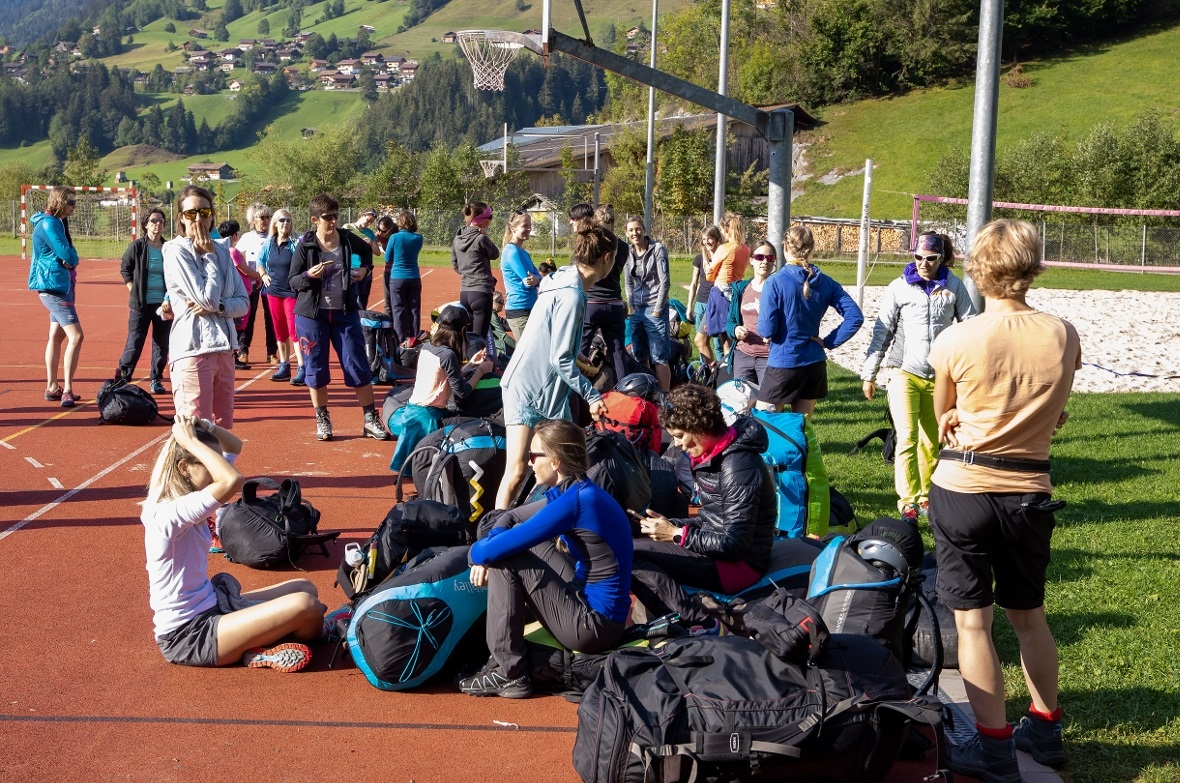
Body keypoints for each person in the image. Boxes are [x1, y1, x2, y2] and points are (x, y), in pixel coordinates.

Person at [928, 219, 1079, 782]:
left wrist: (963, 415)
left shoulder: (958, 338)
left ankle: (992, 748)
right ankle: (1044, 726)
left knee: (973, 624)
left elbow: (943, 414)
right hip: (1029, 488)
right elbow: (1057, 412)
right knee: (1029, 616)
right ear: (1033, 265)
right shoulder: (1064, 333)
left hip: (965, 487)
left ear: (977, 268)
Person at [461, 419, 633, 698]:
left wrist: (478, 556)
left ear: (554, 461)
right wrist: (491, 545)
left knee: (507, 559)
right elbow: (509, 516)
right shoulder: (578, 490)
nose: (529, 463)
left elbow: (487, 551)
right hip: (593, 607)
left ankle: (509, 673)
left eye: (533, 456)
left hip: (594, 626)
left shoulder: (575, 502)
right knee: (522, 547)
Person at [142, 414, 327, 670]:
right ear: (184, 468)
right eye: (211, 463)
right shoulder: (167, 513)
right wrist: (191, 442)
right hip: (189, 635)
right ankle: (318, 633)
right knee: (308, 608)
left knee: (306, 588)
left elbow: (234, 447)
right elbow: (231, 481)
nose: (217, 469)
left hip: (213, 604)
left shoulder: (190, 493)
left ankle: (257, 641)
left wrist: (205, 428)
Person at [629, 384, 776, 630]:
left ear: (699, 427)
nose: (675, 445)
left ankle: (697, 622)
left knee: (631, 556)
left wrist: (676, 535)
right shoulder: (714, 455)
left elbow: (735, 544)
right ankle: (675, 618)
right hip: (720, 554)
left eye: (678, 435)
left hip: (740, 567)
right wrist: (671, 525)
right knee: (632, 544)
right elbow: (712, 521)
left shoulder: (737, 467)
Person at [495, 224, 616, 510]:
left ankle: (542, 528)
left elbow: (553, 342)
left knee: (562, 469)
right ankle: (493, 537)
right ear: (607, 259)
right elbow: (559, 359)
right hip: (527, 390)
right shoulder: (572, 295)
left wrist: (575, 355)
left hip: (547, 392)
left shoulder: (561, 277)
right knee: (516, 470)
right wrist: (593, 396)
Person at [861, 232, 976, 521]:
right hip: (904, 373)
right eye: (918, 257)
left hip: (938, 376)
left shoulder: (954, 286)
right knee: (908, 437)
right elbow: (882, 331)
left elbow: (971, 327)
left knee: (931, 440)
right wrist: (869, 373)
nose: (924, 263)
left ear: (941, 258)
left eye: (931, 258)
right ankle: (907, 501)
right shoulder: (899, 287)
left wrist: (969, 372)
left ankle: (926, 496)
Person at [288, 193, 391, 442]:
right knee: (316, 367)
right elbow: (293, 281)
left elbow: (368, 252)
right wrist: (310, 276)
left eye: (335, 216)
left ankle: (369, 419)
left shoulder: (346, 238)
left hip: (344, 313)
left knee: (357, 363)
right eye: (327, 217)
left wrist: (365, 270)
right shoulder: (306, 245)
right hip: (312, 316)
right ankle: (322, 417)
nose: (332, 221)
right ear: (315, 219)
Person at [163, 186, 250, 428]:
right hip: (193, 349)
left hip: (224, 348)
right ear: (181, 217)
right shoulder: (176, 251)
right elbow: (206, 298)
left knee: (223, 428)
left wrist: (221, 306)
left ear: (212, 214)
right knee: (196, 430)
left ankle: (223, 467)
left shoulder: (222, 250)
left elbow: (243, 303)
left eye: (204, 211)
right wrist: (210, 258)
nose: (199, 219)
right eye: (191, 213)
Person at [756, 224, 864, 417]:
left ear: (785, 247)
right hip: (814, 364)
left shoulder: (775, 281)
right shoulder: (827, 282)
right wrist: (828, 342)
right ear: (812, 248)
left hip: (784, 361)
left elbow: (766, 329)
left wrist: (769, 333)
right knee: (803, 429)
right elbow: (855, 317)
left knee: (765, 426)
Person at [388, 304, 493, 473]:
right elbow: (462, 392)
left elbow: (444, 377)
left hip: (415, 411)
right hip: (428, 417)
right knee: (425, 469)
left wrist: (472, 363)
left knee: (411, 469)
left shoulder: (429, 346)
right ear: (461, 330)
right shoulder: (448, 354)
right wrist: (480, 371)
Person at [28, 186, 84, 407]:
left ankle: (52, 386)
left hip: (61, 282)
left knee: (57, 336)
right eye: (71, 202)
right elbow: (68, 253)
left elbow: (68, 255)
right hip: (54, 286)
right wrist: (71, 258)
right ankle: (67, 390)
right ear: (60, 202)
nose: (74, 206)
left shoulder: (57, 222)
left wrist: (70, 260)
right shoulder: (50, 223)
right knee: (76, 336)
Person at [115, 209, 172, 395]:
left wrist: (168, 299)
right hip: (140, 304)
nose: (158, 224)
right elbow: (125, 269)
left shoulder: (169, 248)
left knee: (161, 345)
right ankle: (123, 378)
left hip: (163, 305)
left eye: (161, 221)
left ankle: (156, 379)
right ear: (146, 224)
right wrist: (133, 290)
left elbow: (174, 276)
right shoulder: (137, 247)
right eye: (154, 221)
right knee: (134, 342)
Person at [578, 203, 629, 388]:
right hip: (614, 303)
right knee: (617, 351)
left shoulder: (592, 243)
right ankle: (624, 393)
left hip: (592, 301)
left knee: (580, 348)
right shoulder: (623, 247)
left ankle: (575, 392)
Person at [624, 217, 672, 391]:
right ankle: (647, 391)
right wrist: (632, 305)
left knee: (659, 356)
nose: (635, 233)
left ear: (644, 229)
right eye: (631, 230)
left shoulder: (657, 249)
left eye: (638, 229)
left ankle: (665, 397)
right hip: (637, 309)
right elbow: (628, 283)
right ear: (627, 233)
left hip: (654, 307)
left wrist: (658, 310)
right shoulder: (628, 252)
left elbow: (664, 282)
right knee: (640, 354)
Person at [258, 208, 305, 386]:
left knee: (294, 331)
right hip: (273, 292)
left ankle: (302, 368)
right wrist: (263, 275)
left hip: (291, 292)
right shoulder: (269, 243)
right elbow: (260, 262)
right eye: (282, 220)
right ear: (275, 224)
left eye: (288, 220)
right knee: (279, 330)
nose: (286, 223)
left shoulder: (296, 242)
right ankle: (284, 366)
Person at [233, 203, 279, 368]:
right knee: (248, 317)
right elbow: (236, 257)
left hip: (270, 282)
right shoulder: (246, 237)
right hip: (250, 283)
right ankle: (243, 350)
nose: (265, 221)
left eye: (268, 217)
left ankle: (272, 352)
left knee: (271, 317)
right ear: (253, 220)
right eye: (262, 218)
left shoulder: (274, 236)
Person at [725, 241, 776, 386]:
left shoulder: (779, 290)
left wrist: (776, 335)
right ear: (752, 260)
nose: (765, 261)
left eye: (770, 258)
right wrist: (735, 330)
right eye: (760, 257)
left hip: (769, 356)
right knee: (742, 403)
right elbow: (730, 322)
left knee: (768, 405)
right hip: (743, 354)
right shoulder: (741, 289)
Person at [451, 201, 500, 355]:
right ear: (481, 219)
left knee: (466, 336)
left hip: (465, 292)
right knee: (479, 339)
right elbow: (495, 254)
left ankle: (466, 370)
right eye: (489, 217)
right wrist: (486, 237)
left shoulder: (457, 238)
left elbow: (455, 265)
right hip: (481, 291)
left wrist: (468, 273)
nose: (491, 220)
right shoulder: (481, 239)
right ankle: (477, 373)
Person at [702, 212, 751, 359]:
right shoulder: (745, 249)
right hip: (736, 293)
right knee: (730, 336)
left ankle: (725, 373)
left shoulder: (725, 248)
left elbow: (709, 275)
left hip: (721, 294)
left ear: (726, 228)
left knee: (725, 343)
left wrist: (706, 259)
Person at [219, 219, 260, 372]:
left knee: (237, 324)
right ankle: (233, 356)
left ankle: (233, 355)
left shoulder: (222, 251)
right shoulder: (232, 251)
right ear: (234, 236)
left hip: (235, 292)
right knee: (239, 324)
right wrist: (260, 275)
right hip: (240, 293)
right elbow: (245, 270)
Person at [500, 210, 542, 339]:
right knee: (526, 353)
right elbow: (529, 280)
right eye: (525, 226)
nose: (529, 229)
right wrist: (536, 279)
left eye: (530, 225)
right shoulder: (512, 252)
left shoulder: (522, 252)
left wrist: (538, 279)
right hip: (520, 310)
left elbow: (537, 276)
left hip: (529, 307)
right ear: (513, 228)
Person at [385, 209, 424, 346]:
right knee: (414, 309)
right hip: (414, 276)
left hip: (397, 277)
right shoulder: (418, 238)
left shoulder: (394, 237)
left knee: (398, 308)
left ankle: (400, 339)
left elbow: (387, 257)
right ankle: (413, 337)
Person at [688, 225, 723, 365]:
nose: (707, 242)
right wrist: (689, 306)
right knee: (701, 342)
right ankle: (706, 373)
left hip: (716, 305)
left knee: (718, 343)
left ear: (717, 239)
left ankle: (722, 373)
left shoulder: (722, 258)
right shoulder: (699, 258)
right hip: (700, 303)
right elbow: (694, 283)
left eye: (710, 238)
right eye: (704, 239)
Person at [342, 208, 380, 309]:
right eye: (368, 220)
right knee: (351, 300)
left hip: (365, 268)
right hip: (351, 267)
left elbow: (377, 252)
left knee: (363, 301)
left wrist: (371, 243)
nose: (368, 224)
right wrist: (360, 240)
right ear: (362, 215)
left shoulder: (370, 233)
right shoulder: (347, 227)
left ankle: (362, 322)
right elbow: (342, 243)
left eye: (371, 222)